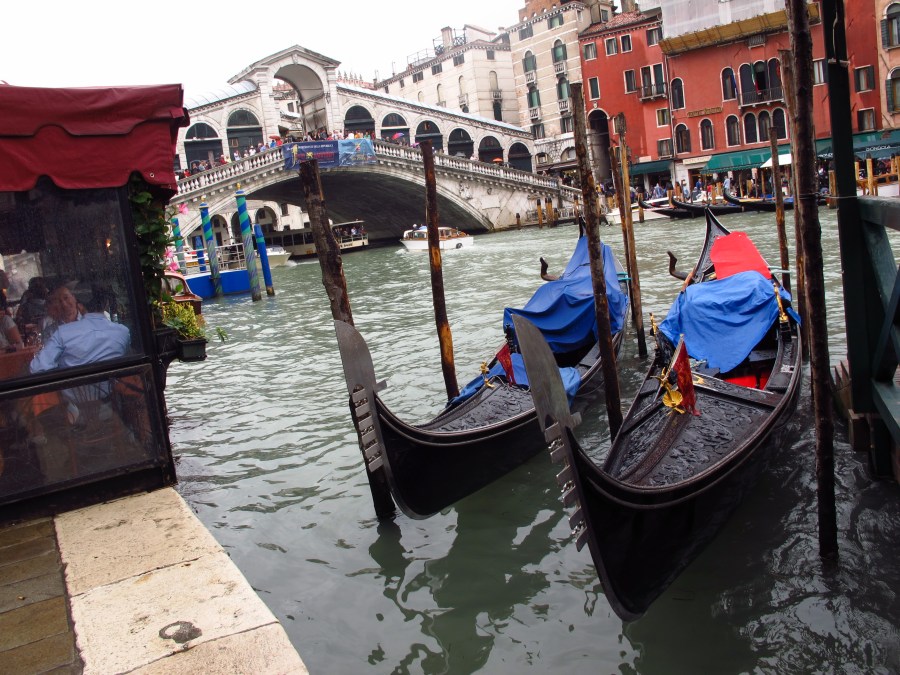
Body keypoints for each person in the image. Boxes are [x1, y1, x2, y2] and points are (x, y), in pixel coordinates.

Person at [31, 289, 130, 375]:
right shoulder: (123, 331)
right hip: (114, 393)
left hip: (75, 395)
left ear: (79, 305)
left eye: (66, 298)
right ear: (106, 305)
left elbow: (37, 368)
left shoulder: (62, 333)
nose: (64, 304)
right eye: (59, 301)